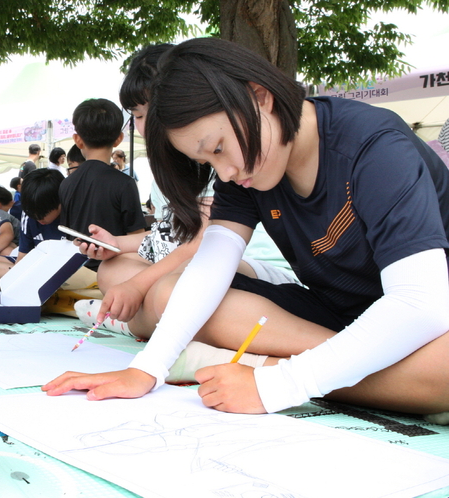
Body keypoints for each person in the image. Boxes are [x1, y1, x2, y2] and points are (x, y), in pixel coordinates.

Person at [44, 38, 449, 420]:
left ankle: (283, 367)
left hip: (432, 319)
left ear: (259, 96)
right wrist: (146, 369)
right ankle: (390, 374)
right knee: (169, 293)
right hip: (336, 316)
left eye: (218, 147)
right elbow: (210, 266)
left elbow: (422, 303)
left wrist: (277, 384)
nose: (226, 172)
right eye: (209, 161)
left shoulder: (372, 146)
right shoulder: (244, 173)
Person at [71, 43, 295, 337]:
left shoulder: (222, 157)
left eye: (148, 112)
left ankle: (144, 322)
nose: (146, 125)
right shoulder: (173, 167)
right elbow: (169, 235)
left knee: (168, 290)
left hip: (243, 268)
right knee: (114, 271)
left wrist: (139, 286)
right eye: (137, 116)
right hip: (194, 269)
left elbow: (207, 243)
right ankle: (156, 320)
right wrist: (116, 243)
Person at [58, 98, 146, 271]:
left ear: (78, 140)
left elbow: (68, 237)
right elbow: (138, 239)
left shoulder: (66, 184)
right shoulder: (125, 183)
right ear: (118, 139)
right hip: (115, 272)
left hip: (76, 272)